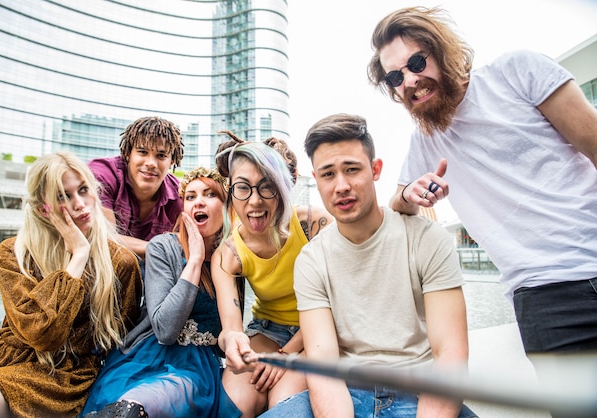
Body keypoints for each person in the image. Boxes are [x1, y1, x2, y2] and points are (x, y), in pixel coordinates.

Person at [366, 6, 597, 355]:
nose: (410, 81)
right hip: (542, 299)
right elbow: (398, 202)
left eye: (416, 63)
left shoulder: (516, 72)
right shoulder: (425, 140)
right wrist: (411, 194)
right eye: (396, 78)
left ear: (441, 49)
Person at [261, 113, 476, 418]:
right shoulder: (312, 260)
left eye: (352, 169)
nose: (341, 185)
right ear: (316, 179)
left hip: (421, 392)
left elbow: (449, 357)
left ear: (375, 169)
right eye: (328, 175)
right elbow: (324, 369)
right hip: (346, 393)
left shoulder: (428, 239)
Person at [0, 152, 142, 418]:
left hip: (68, 377)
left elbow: (123, 341)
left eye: (83, 190)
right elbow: (40, 333)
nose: (79, 204)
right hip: (10, 361)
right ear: (43, 209)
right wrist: (78, 258)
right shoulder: (12, 254)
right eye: (63, 196)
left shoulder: (121, 262)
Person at [80, 167, 241, 418]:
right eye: (190, 196)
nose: (198, 201)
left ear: (226, 206)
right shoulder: (162, 247)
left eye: (210, 195)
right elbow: (165, 330)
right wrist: (195, 262)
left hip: (196, 367)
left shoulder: (233, 258)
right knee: (127, 408)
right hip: (146, 356)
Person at [212, 140, 333, 417]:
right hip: (268, 331)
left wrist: (286, 355)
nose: (255, 200)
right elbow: (231, 328)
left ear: (281, 188)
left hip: (320, 327)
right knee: (237, 406)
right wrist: (232, 341)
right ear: (232, 192)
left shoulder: (314, 225)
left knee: (283, 406)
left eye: (266, 186)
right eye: (243, 187)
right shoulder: (228, 254)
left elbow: (340, 301)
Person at [88, 116, 185, 261]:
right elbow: (104, 239)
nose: (151, 163)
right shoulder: (103, 175)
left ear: (172, 161)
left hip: (154, 275)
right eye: (142, 152)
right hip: (100, 268)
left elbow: (187, 244)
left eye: (161, 155)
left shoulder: (180, 195)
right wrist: (158, 248)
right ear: (128, 153)